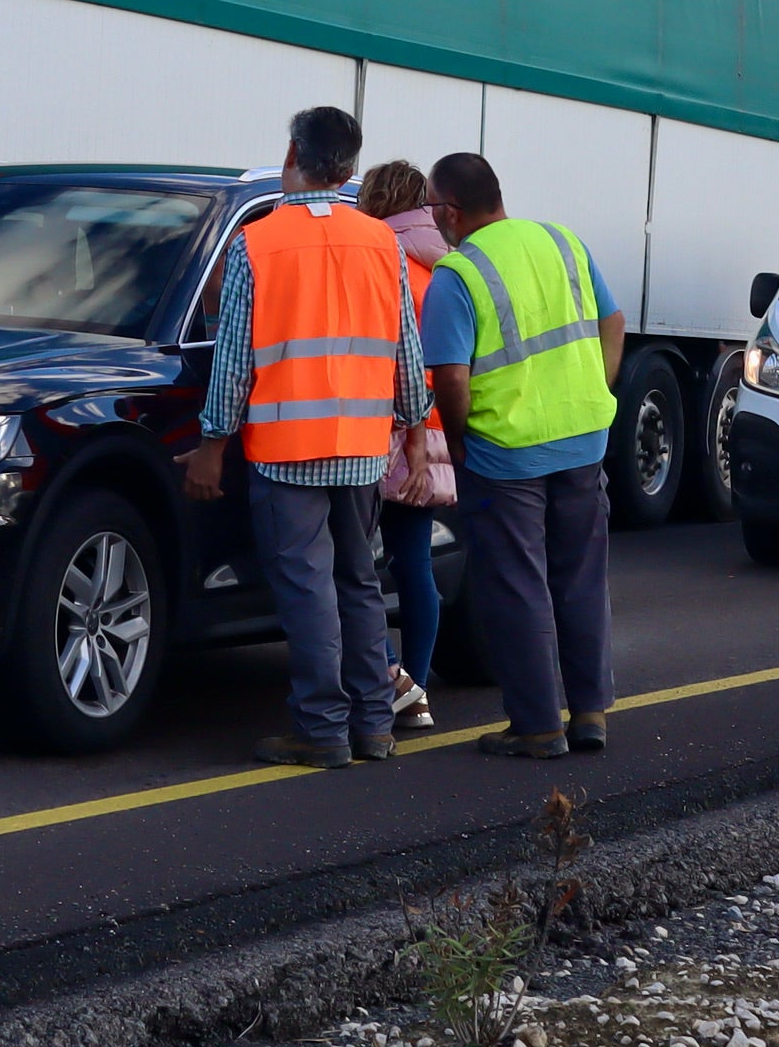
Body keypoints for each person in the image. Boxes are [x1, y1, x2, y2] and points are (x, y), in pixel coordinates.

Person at [184, 107, 432, 770]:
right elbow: (406, 352)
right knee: (358, 582)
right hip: (363, 446)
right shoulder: (382, 243)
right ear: (349, 170)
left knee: (308, 588)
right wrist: (413, 431)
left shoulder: (256, 244)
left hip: (286, 451)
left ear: (292, 156)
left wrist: (212, 445)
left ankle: (322, 730)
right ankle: (373, 725)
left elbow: (233, 361)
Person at [423, 151, 624, 759]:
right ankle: (590, 714)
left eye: (431, 208)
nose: (431, 219)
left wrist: (459, 438)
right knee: (581, 578)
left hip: (506, 454)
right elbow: (613, 322)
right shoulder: (563, 242)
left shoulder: (458, 274)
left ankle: (537, 726)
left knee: (517, 586)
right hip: (583, 440)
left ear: (451, 211)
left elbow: (450, 377)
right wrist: (596, 390)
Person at [358, 157, 450, 734]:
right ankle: (416, 690)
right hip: (435, 423)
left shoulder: (377, 254)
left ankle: (391, 679)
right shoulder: (444, 262)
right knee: (415, 564)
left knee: (351, 562)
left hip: (383, 426)